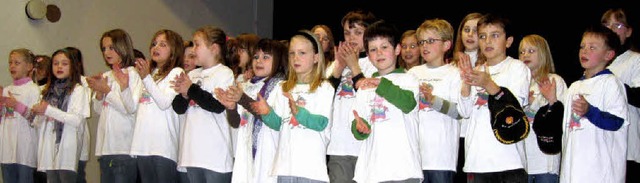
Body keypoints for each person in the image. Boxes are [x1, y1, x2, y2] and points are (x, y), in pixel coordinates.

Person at [251, 30, 333, 183]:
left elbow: (321, 123)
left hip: (311, 170)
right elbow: (278, 124)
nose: (296, 58)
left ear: (316, 57)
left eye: (302, 53)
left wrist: (298, 112)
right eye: (292, 53)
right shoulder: (284, 87)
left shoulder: (324, 88)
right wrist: (267, 112)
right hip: (284, 167)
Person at [457, 13, 530, 182]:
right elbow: (464, 112)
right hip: (477, 162)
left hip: (509, 161)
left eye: (494, 35)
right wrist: (467, 82)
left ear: (509, 41)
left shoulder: (517, 68)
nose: (487, 41)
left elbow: (516, 105)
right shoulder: (476, 70)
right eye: (482, 36)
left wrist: (488, 84)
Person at [350, 20, 422, 183]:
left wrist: (381, 84)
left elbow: (408, 103)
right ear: (368, 55)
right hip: (370, 172)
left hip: (403, 170)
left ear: (397, 49)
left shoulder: (409, 79)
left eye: (384, 47)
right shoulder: (364, 87)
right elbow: (357, 122)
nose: (379, 53)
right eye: (373, 50)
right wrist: (360, 128)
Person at [557, 24, 628, 183]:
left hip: (600, 172)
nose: (585, 50)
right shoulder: (574, 86)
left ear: (608, 54)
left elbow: (617, 122)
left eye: (592, 47)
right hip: (572, 171)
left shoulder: (611, 83)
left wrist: (590, 111)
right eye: (582, 46)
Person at [117, 29, 184, 183]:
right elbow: (131, 108)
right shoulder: (150, 74)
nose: (156, 47)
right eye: (154, 44)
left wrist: (146, 77)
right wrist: (124, 87)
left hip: (162, 147)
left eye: (162, 44)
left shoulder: (176, 72)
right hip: (142, 145)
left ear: (174, 52)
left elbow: (164, 103)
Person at [219, 38, 288, 183]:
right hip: (245, 154)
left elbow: (277, 123)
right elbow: (236, 123)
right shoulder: (247, 86)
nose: (259, 61)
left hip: (268, 154)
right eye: (256, 57)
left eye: (265, 57)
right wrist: (230, 108)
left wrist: (242, 99)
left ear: (279, 60)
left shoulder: (282, 87)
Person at [171, 25, 234, 183]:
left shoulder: (224, 73)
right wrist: (184, 94)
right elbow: (178, 108)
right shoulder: (192, 74)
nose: (193, 50)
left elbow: (217, 106)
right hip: (192, 153)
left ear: (213, 48)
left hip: (214, 157)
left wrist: (190, 89)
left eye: (197, 44)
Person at [326, 9, 378, 183]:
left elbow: (370, 99)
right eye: (347, 33)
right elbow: (323, 99)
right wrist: (339, 69)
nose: (351, 38)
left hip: (367, 146)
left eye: (358, 32)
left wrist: (354, 66)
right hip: (339, 146)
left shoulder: (375, 63)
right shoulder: (336, 64)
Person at [407, 18, 460, 183]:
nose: (424, 46)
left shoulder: (455, 73)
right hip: (413, 157)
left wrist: (433, 100)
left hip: (441, 159)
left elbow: (460, 112)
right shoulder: (412, 73)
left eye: (430, 41)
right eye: (421, 41)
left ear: (446, 45)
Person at [85, 28, 140, 183]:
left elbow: (130, 108)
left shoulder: (133, 74)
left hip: (124, 148)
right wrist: (99, 93)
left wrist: (107, 91)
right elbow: (97, 110)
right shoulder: (107, 76)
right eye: (104, 49)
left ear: (122, 47)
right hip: (105, 148)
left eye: (111, 47)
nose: (106, 52)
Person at [31, 47, 90, 183]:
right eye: (56, 63)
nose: (59, 67)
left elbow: (76, 120)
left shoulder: (78, 90)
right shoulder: (47, 90)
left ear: (73, 66)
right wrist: (39, 114)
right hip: (49, 147)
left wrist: (49, 110)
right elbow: (38, 123)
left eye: (64, 63)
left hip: (67, 146)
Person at [518, 34, 566, 183]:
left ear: (543, 54)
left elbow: (561, 117)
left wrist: (540, 104)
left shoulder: (554, 80)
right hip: (521, 163)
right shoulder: (518, 84)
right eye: (522, 52)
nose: (525, 55)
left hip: (545, 162)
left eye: (531, 51)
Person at [600, 8, 640, 183]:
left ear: (628, 31)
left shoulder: (635, 59)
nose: (611, 29)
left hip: (627, 148)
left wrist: (609, 82)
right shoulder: (597, 63)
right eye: (606, 24)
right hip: (600, 147)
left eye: (618, 25)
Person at [0, 48, 40, 183]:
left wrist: (16, 105)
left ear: (29, 66)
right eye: (10, 62)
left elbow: (36, 119)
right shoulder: (7, 89)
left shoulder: (33, 89)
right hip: (7, 150)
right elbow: (5, 119)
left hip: (24, 151)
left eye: (17, 63)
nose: (12, 66)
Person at [451, 12, 482, 183]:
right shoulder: (450, 64)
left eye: (476, 31)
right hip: (454, 134)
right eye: (466, 30)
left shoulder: (487, 65)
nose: (470, 35)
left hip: (475, 135)